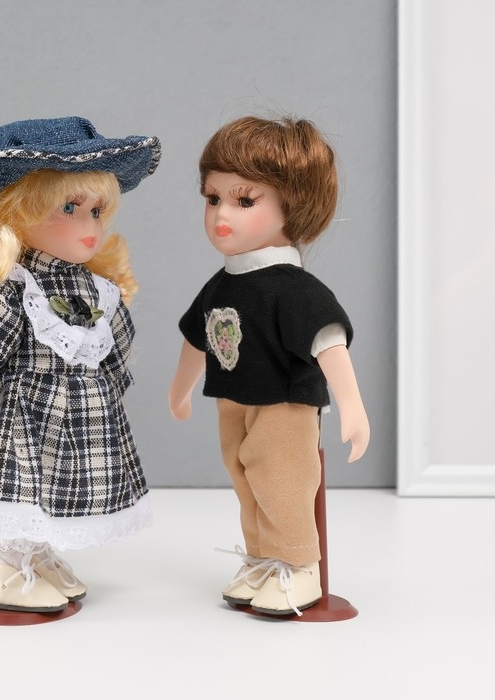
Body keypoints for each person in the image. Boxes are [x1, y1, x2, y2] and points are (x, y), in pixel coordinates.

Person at [0, 117, 161, 613]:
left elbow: (114, 347)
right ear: (16, 214)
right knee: (17, 490)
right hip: (20, 416)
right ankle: (6, 571)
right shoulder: (13, 291)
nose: (90, 226)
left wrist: (106, 397)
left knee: (54, 492)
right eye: (70, 209)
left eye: (97, 211)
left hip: (76, 417)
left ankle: (36, 558)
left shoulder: (97, 290)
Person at [168, 115, 369, 616]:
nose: (221, 214)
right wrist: (180, 390)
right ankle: (262, 560)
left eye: (244, 201)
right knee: (245, 480)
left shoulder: (293, 288)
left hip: (284, 402)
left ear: (291, 205)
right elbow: (199, 337)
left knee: (282, 481)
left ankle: (298, 565)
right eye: (212, 198)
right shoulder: (223, 282)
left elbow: (328, 342)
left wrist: (352, 407)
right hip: (233, 399)